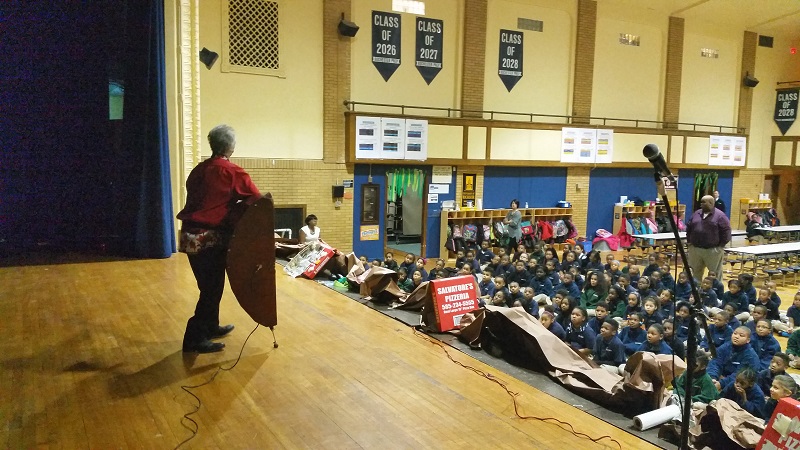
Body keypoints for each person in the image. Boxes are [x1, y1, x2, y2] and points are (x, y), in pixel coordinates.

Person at [177, 124, 262, 353]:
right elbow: (257, 199)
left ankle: (211, 326)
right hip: (210, 239)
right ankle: (194, 337)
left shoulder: (198, 169)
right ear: (231, 147)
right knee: (211, 289)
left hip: (189, 236)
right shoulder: (232, 172)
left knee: (210, 285)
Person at [686, 195, 731, 280]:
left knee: (715, 274)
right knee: (694, 273)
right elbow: (689, 228)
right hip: (695, 249)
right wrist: (689, 242)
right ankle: (695, 291)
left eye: (703, 202)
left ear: (711, 203)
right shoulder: (696, 213)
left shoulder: (720, 216)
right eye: (701, 202)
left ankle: (715, 292)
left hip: (712, 250)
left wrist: (720, 246)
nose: (701, 204)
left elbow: (727, 232)